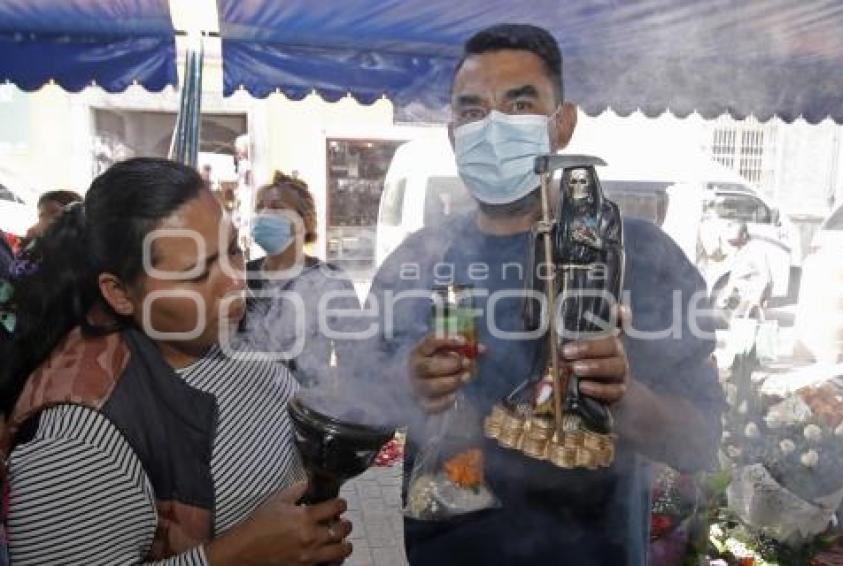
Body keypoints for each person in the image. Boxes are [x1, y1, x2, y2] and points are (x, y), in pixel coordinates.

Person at [366, 24, 723, 565]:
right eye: (472, 110)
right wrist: (405, 384)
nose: (493, 128)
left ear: (563, 125)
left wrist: (622, 396)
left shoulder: (638, 259)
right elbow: (357, 417)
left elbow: (700, 443)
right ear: (452, 133)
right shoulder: (415, 264)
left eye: (520, 104)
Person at [0, 158, 353, 565]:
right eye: (199, 273)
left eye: (233, 250)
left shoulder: (222, 337)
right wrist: (233, 557)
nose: (237, 280)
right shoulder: (75, 442)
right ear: (119, 293)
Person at [244, 171, 360, 386]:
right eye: (260, 207)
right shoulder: (241, 278)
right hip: (248, 407)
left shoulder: (330, 282)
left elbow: (353, 360)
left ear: (304, 222)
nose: (264, 214)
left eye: (277, 207)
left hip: (305, 406)